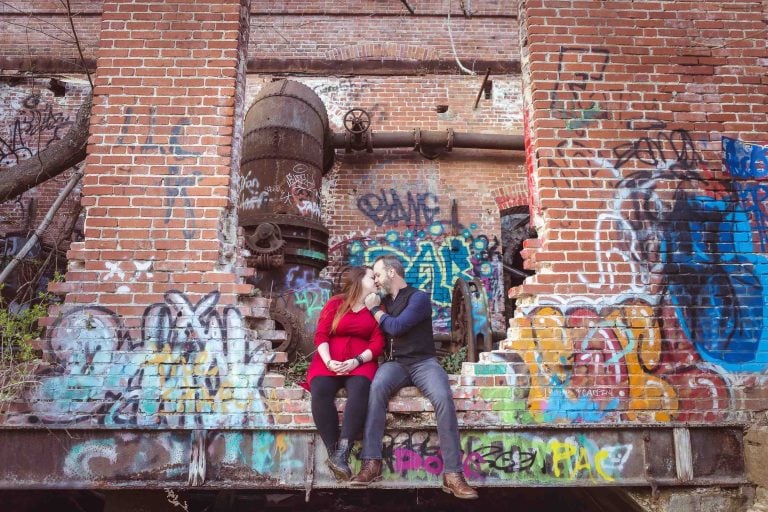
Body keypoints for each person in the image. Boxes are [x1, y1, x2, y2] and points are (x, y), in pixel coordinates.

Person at [350, 255, 478, 499]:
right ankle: (371, 463)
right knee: (376, 389)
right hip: (395, 364)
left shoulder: (418, 298)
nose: (375, 280)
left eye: (377, 274)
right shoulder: (384, 300)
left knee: (442, 397)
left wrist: (374, 309)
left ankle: (452, 474)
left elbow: (397, 327)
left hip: (423, 363)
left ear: (391, 273)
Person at [306, 266, 385, 481]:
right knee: (320, 389)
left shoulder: (377, 308)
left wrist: (356, 361)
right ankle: (335, 455)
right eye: (372, 277)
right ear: (360, 280)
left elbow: (378, 342)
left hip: (361, 360)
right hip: (330, 358)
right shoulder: (336, 303)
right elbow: (321, 334)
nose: (376, 280)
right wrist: (329, 361)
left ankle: (343, 450)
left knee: (360, 388)